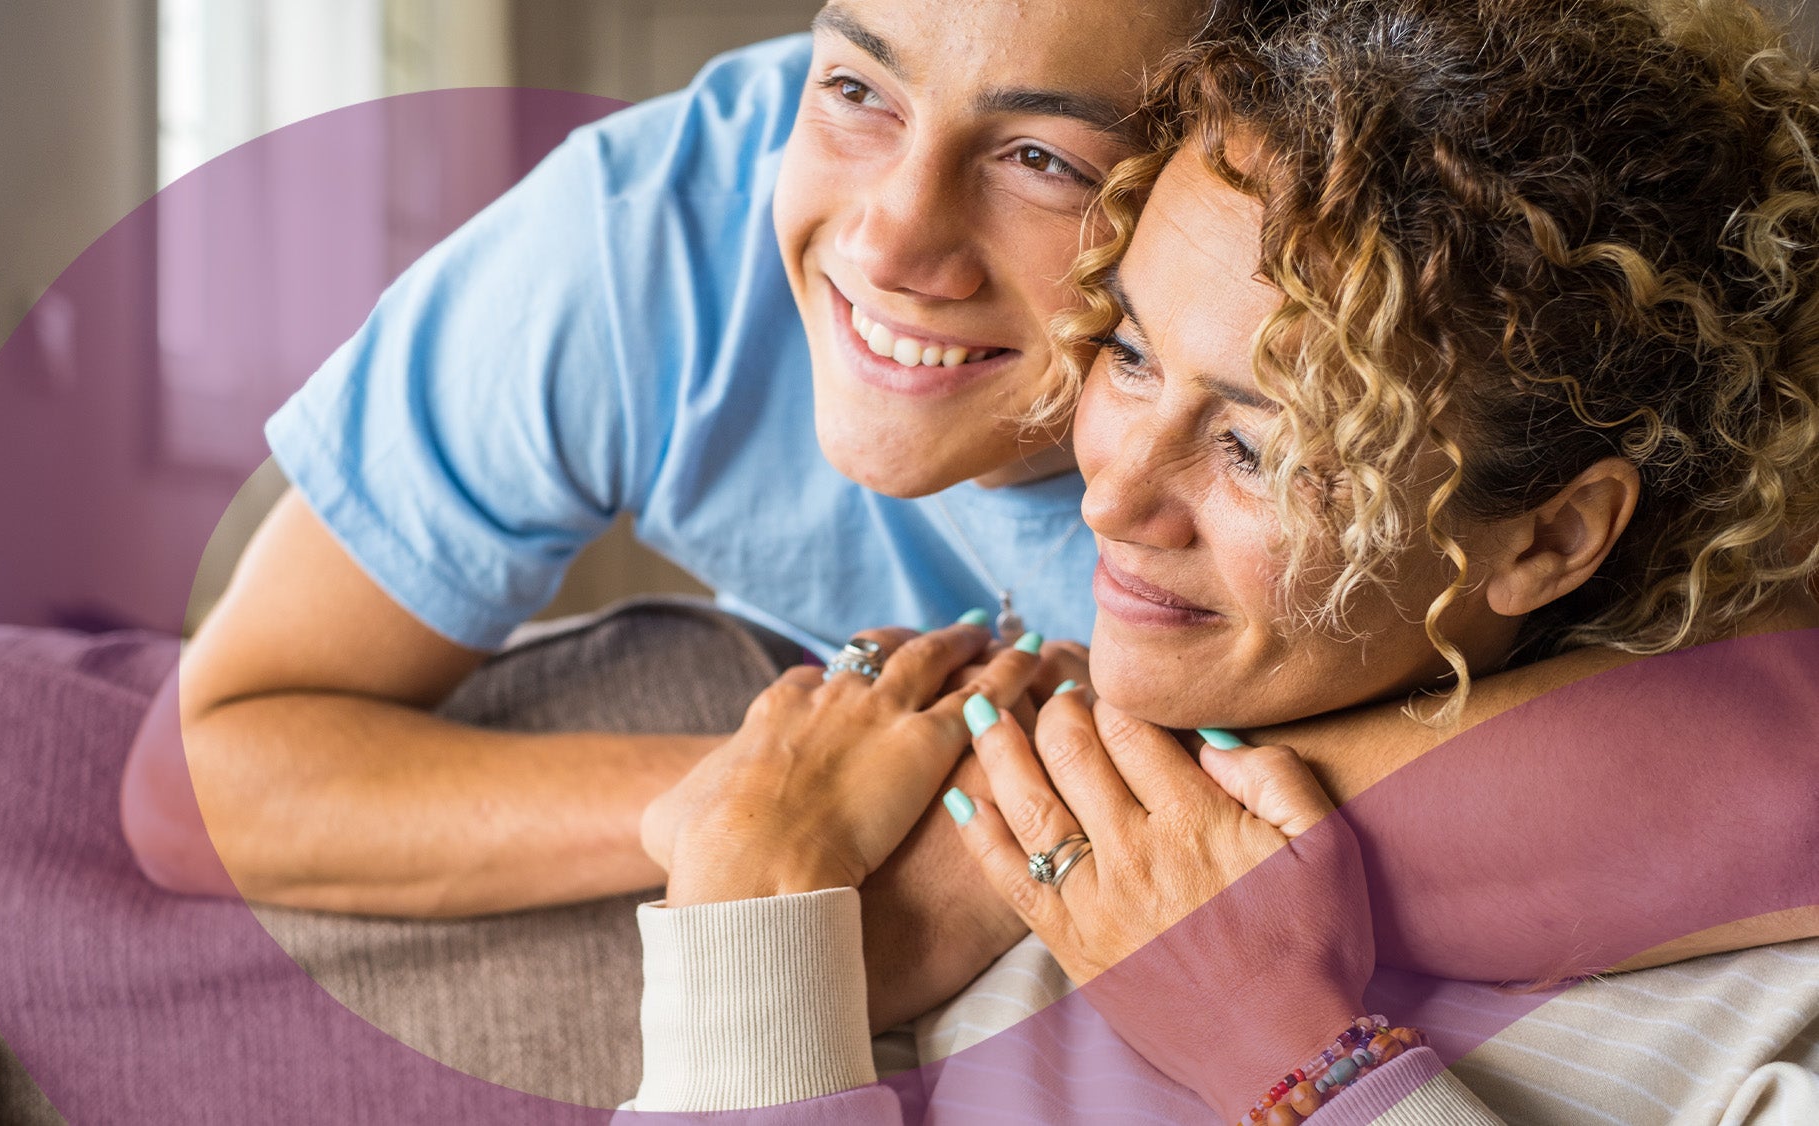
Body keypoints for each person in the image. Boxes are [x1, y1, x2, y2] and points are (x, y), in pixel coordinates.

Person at [628, 0, 1819, 1119]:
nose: (1111, 494)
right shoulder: (975, 813)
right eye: (1131, 353)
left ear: (1548, 536)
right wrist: (754, 904)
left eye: (1258, 446)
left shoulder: (1752, 1016)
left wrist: (1294, 1057)